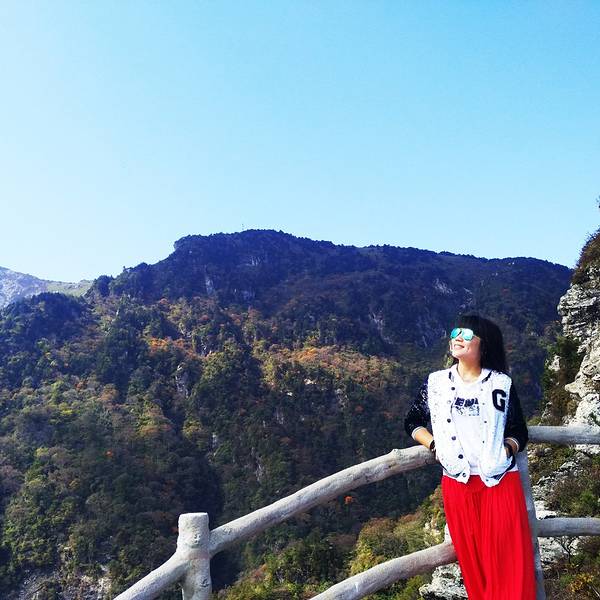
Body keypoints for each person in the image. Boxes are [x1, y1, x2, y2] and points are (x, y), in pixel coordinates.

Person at [404, 314, 536, 599]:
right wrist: (435, 445)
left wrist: (505, 450)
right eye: (455, 332)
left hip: (499, 482)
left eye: (465, 334)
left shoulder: (501, 383)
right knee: (474, 568)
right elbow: (412, 422)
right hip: (458, 485)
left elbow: (518, 431)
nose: (457, 338)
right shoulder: (436, 383)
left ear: (483, 344)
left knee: (509, 565)